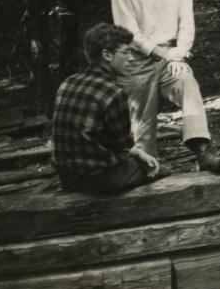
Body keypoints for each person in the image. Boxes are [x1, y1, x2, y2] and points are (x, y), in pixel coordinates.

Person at [111, 0, 220, 172]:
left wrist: (179, 54)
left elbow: (187, 23)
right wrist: (163, 53)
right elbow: (129, 32)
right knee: (141, 122)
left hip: (171, 56)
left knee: (187, 83)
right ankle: (145, 169)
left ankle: (202, 151)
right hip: (136, 60)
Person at [52, 22, 171, 193]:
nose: (130, 58)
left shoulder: (68, 82)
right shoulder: (113, 93)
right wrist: (137, 156)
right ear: (107, 55)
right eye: (125, 52)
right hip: (99, 178)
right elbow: (122, 144)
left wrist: (137, 152)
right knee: (162, 171)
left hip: (67, 178)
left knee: (140, 162)